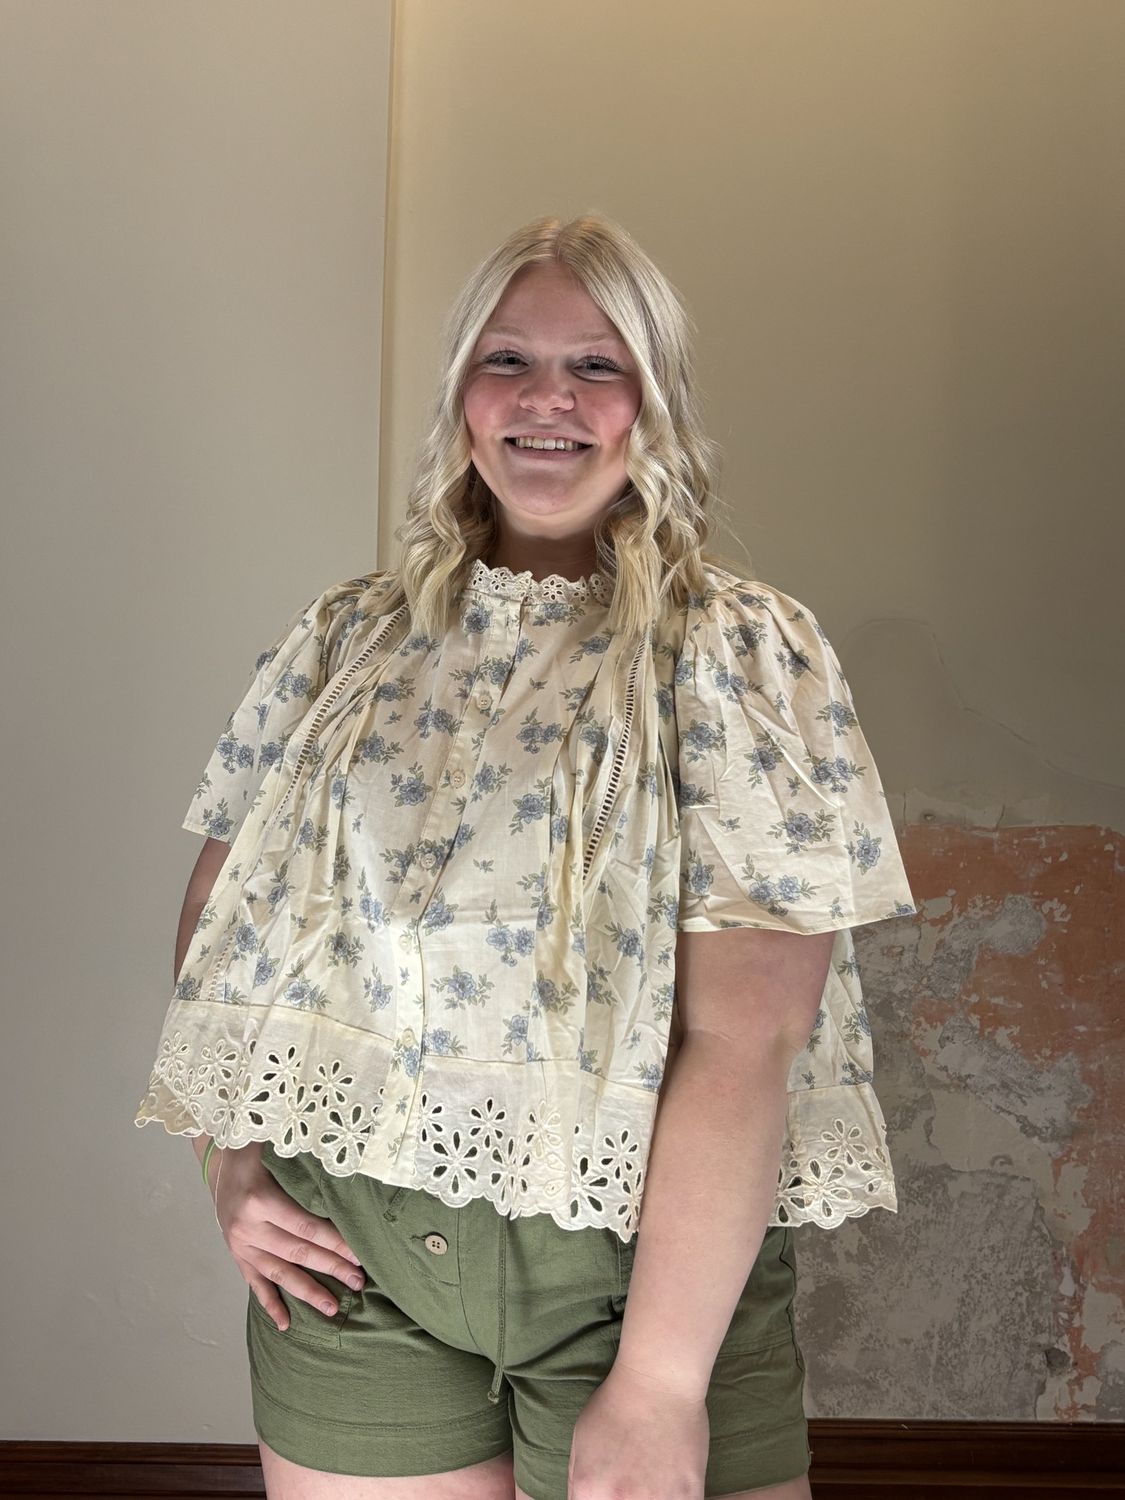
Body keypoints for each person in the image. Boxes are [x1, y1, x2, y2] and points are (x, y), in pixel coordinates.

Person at [136, 212, 917, 1500]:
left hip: (639, 1286)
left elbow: (751, 1037)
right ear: (459, 398)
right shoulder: (346, 643)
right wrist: (230, 1159)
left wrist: (661, 1384)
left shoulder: (735, 656)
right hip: (354, 1264)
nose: (547, 399)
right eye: (507, 360)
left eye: (598, 366)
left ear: (653, 407)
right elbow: (228, 917)